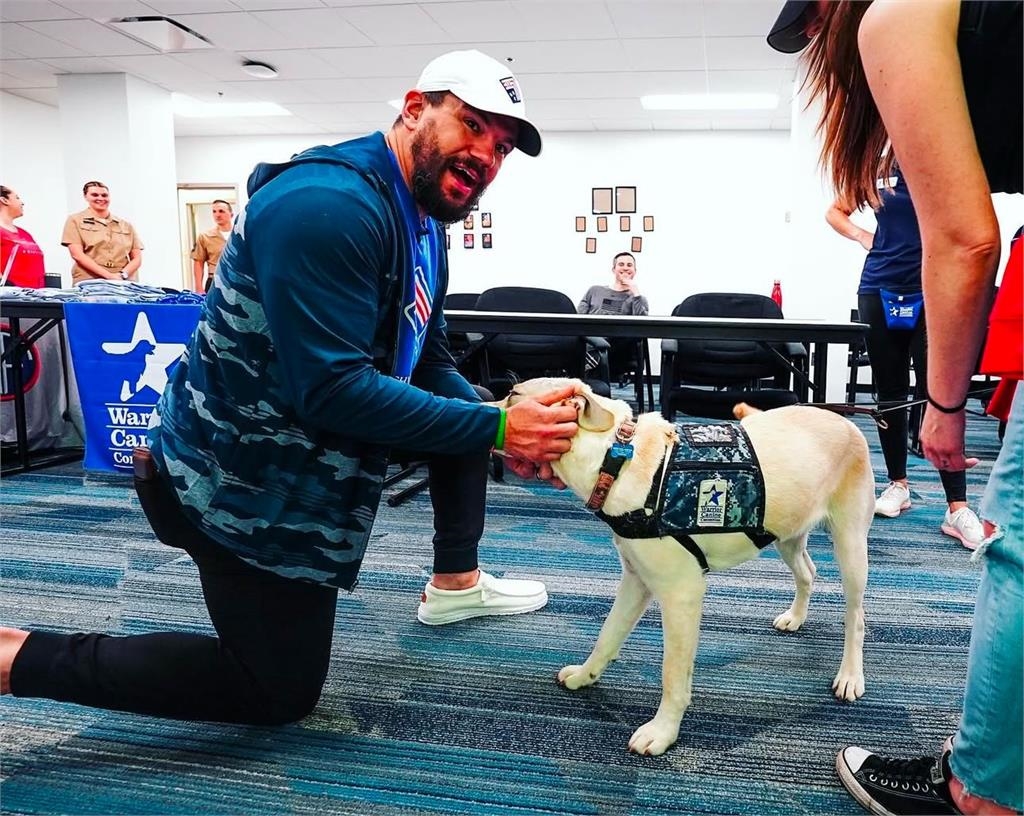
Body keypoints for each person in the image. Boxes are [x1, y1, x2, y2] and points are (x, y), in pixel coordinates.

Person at [0, 50, 580, 725]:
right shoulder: (328, 206)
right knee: (273, 691)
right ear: (414, 108)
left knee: (468, 412)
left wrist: (504, 423)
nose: (486, 154)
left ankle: (457, 581)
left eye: (502, 146)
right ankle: (19, 658)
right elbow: (333, 391)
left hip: (302, 465)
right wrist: (501, 428)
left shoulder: (422, 221)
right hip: (235, 482)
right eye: (473, 125)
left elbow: (427, 358)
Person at [769, 1, 1022, 815]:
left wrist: (946, 406)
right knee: (891, 400)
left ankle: (981, 792)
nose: (819, 46)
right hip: (891, 287)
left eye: (815, 27)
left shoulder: (896, 14)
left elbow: (967, 240)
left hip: (936, 286)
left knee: (1017, 544)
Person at [826, 168, 983, 548]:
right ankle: (898, 485)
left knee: (941, 393)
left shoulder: (941, 164)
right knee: (890, 394)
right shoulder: (875, 171)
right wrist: (862, 235)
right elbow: (835, 211)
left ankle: (957, 506)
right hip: (878, 286)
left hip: (933, 288)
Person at [578, 251, 649, 385]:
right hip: (589, 338)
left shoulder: (638, 298)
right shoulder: (594, 290)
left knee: (626, 336)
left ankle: (591, 377)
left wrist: (635, 292)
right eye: (621, 264)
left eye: (629, 265)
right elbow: (579, 318)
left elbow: (642, 328)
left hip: (617, 346)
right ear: (613, 269)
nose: (625, 268)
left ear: (635, 271)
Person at [61, 181, 143, 285]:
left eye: (104, 195)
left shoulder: (125, 225)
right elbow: (77, 255)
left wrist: (122, 275)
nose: (100, 198)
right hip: (90, 281)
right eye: (95, 195)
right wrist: (109, 276)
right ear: (85, 197)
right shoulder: (75, 220)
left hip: (123, 282)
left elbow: (137, 258)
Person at [0, 185, 45, 288]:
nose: (22, 203)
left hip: (35, 295)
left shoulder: (25, 234)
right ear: (4, 200)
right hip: (10, 296)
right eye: (17, 198)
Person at [191, 199, 234, 293]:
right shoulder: (205, 237)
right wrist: (199, 288)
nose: (217, 215)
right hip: (215, 280)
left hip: (236, 280)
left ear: (231, 214)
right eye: (214, 211)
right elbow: (198, 262)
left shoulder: (239, 235)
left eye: (221, 211)